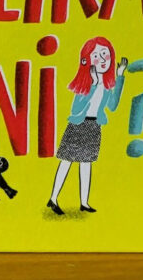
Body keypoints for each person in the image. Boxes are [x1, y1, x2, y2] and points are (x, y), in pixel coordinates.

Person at [47, 37, 127, 215]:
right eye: (96, 55)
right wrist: (94, 84)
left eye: (105, 54)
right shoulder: (85, 83)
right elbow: (76, 109)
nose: (102, 59)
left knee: (86, 163)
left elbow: (113, 106)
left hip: (94, 127)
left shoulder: (107, 86)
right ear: (87, 60)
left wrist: (120, 76)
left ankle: (84, 202)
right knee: (66, 161)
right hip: (78, 126)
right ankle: (53, 198)